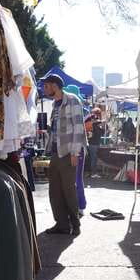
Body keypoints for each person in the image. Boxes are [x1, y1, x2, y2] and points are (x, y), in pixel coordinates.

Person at [43, 74, 86, 236]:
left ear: (55, 86)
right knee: (55, 190)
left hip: (68, 152)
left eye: (46, 86)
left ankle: (75, 225)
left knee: (68, 190)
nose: (44, 89)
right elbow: (56, 130)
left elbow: (78, 128)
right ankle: (61, 224)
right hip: (56, 152)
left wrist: (75, 152)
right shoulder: (55, 104)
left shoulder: (72, 100)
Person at [87, 108, 104, 177]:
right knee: (93, 159)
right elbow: (96, 133)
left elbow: (101, 132)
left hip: (93, 143)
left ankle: (92, 173)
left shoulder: (95, 124)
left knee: (93, 158)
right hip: (93, 143)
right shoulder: (94, 124)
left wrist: (102, 127)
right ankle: (93, 173)